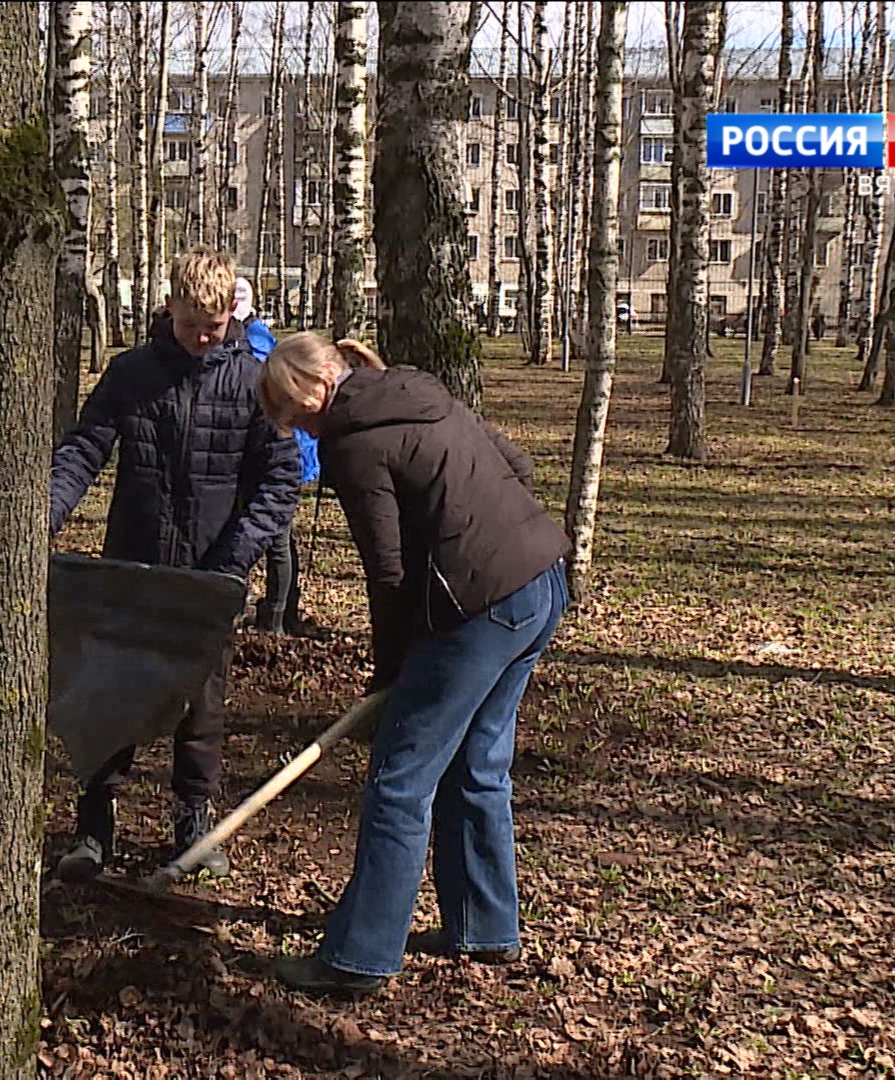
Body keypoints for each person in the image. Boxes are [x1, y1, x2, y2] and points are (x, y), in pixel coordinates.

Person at [255, 334, 569, 995]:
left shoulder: (352, 441)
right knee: (477, 762)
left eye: (291, 409)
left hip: (482, 607)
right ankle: (483, 927)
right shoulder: (416, 389)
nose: (294, 426)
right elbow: (516, 465)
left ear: (317, 388)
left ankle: (359, 958)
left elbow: (387, 571)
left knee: (399, 779)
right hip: (541, 580)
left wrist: (390, 668)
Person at [49, 248, 302, 882]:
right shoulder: (131, 373)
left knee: (202, 705)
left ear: (229, 316)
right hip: (131, 563)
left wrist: (236, 557)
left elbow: (280, 480)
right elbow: (85, 449)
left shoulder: (254, 382)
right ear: (170, 310)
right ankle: (94, 824)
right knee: (111, 692)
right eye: (190, 325)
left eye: (212, 327)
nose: (201, 338)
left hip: (209, 576)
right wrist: (43, 514)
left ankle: (193, 821)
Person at [232, 277, 322, 636]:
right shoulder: (260, 340)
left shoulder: (253, 346)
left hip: (274, 455)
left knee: (276, 539)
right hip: (273, 453)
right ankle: (276, 614)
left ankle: (275, 619)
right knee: (276, 539)